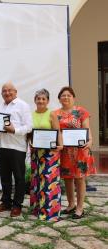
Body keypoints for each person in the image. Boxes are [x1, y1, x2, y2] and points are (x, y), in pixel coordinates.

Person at [54, 86, 96, 219]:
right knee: (67, 178)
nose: (66, 97)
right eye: (63, 95)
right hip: (65, 151)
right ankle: (71, 204)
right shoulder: (55, 114)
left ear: (73, 97)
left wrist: (90, 140)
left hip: (80, 151)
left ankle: (80, 207)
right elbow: (55, 132)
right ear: (59, 98)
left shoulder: (81, 111)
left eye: (68, 95)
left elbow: (87, 128)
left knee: (79, 179)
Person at [0, 82, 32, 217]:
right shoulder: (0, 107)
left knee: (19, 178)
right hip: (3, 146)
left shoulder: (23, 105)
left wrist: (14, 130)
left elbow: (29, 127)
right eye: (4, 91)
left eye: (9, 90)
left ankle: (17, 205)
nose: (7, 93)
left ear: (15, 91)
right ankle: (6, 202)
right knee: (5, 177)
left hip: (17, 147)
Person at [29, 89, 62, 221]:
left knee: (49, 182)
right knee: (37, 181)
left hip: (50, 153)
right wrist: (30, 142)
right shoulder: (31, 115)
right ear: (35, 100)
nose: (41, 101)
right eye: (38, 98)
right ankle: (37, 209)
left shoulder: (52, 114)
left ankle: (50, 213)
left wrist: (61, 146)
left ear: (47, 101)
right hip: (36, 152)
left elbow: (57, 131)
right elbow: (29, 133)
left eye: (43, 98)